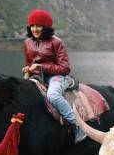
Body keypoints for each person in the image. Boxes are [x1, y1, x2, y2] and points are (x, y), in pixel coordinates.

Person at [23, 9, 85, 143]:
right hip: (38, 77)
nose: (35, 29)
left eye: (38, 25)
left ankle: (77, 125)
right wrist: (29, 69)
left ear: (45, 27)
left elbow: (65, 68)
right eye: (32, 26)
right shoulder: (27, 43)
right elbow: (30, 63)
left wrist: (41, 67)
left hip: (57, 77)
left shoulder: (56, 42)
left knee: (53, 95)